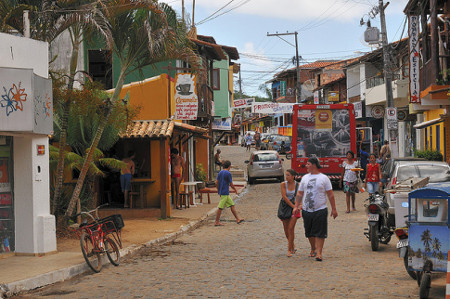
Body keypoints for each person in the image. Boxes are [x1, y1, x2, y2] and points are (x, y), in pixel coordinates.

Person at [293, 157, 338, 262]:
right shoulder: (304, 178)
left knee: (320, 232)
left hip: (320, 209)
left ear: (313, 165)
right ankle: (313, 248)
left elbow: (330, 194)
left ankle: (319, 252)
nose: (306, 166)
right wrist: (296, 206)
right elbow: (300, 194)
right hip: (306, 209)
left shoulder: (324, 178)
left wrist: (334, 209)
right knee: (309, 232)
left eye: (308, 164)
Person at [214, 160, 244, 226]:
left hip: (224, 192)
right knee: (220, 207)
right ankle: (216, 221)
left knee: (232, 205)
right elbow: (231, 184)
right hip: (225, 193)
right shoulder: (228, 173)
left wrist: (218, 190)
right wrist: (235, 190)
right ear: (229, 166)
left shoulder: (220, 172)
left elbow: (216, 182)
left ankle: (237, 219)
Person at [279, 169, 300, 257]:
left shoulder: (298, 185)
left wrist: (297, 207)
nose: (286, 177)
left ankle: (289, 249)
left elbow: (300, 196)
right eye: (286, 175)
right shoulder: (283, 184)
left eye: (288, 175)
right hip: (286, 208)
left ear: (293, 176)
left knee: (291, 228)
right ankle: (292, 244)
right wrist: (293, 206)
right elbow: (284, 197)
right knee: (286, 229)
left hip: (295, 209)